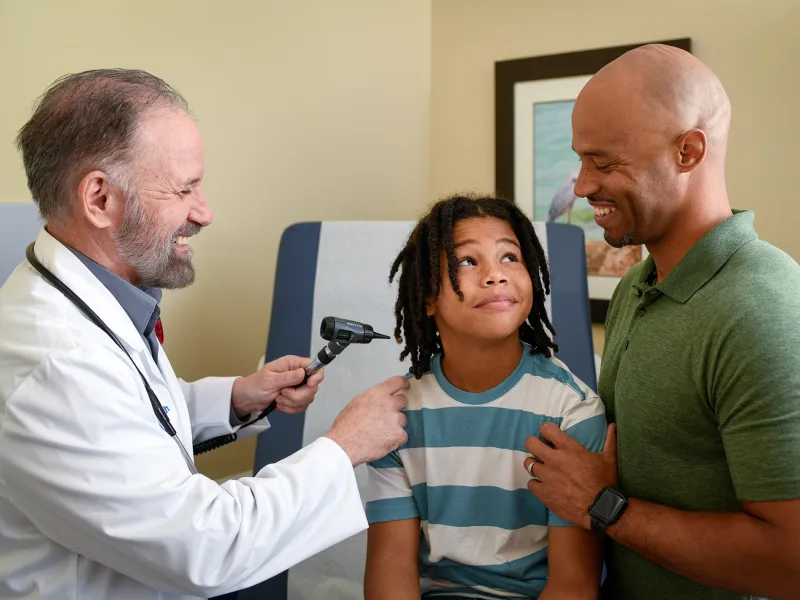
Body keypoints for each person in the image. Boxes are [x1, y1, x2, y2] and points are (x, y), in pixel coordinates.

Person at [0, 69, 410, 600]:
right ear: (100, 200)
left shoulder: (85, 303)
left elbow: (125, 420)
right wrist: (345, 445)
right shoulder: (58, 362)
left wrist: (237, 398)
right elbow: (209, 548)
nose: (205, 212)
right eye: (183, 188)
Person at [522, 44, 800, 600]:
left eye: (603, 162)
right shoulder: (636, 286)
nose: (580, 186)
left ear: (689, 151)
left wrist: (603, 506)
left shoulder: (761, 311)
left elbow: (791, 562)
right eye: (580, 160)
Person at [363, 194, 607, 599]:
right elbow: (391, 567)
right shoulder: (395, 418)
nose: (495, 275)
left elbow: (573, 583)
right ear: (426, 296)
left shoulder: (572, 413)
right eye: (467, 261)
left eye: (510, 257)